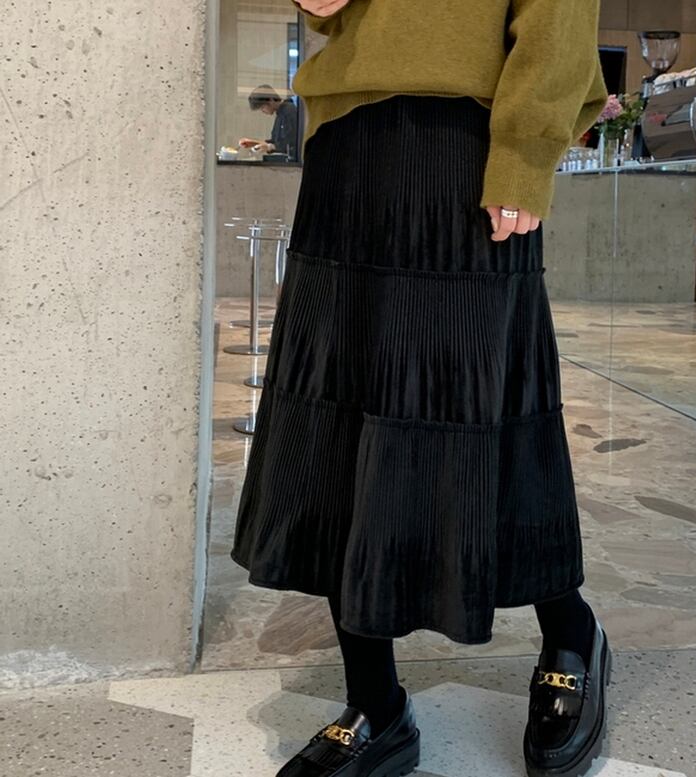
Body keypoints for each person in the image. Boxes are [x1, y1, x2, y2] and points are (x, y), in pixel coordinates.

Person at [231, 1, 610, 776]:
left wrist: (524, 151)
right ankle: (375, 701)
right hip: (346, 137)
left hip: (466, 139)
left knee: (484, 404)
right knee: (338, 418)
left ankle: (571, 630)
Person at [239, 85, 299, 160]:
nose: (262, 111)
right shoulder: (280, 114)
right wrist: (254, 143)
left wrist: (269, 147)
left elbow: (290, 143)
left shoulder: (289, 111)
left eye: (262, 107)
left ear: (271, 100)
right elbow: (276, 142)